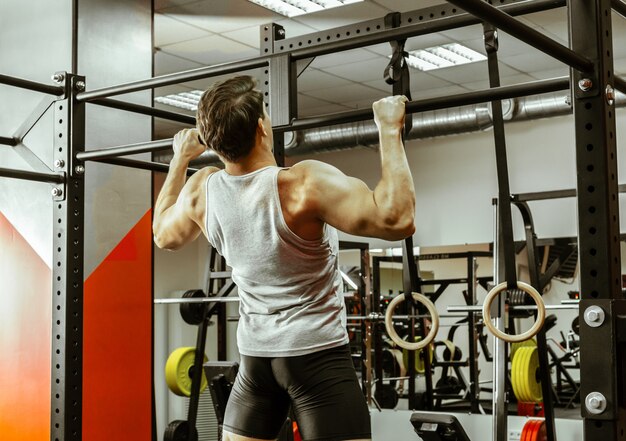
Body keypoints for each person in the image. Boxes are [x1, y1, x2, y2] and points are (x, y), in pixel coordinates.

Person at [153, 75, 415, 441]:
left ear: (214, 141)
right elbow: (397, 218)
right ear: (262, 127)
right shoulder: (300, 185)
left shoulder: (202, 190)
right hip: (317, 357)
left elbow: (163, 234)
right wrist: (389, 128)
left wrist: (179, 160)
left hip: (256, 362)